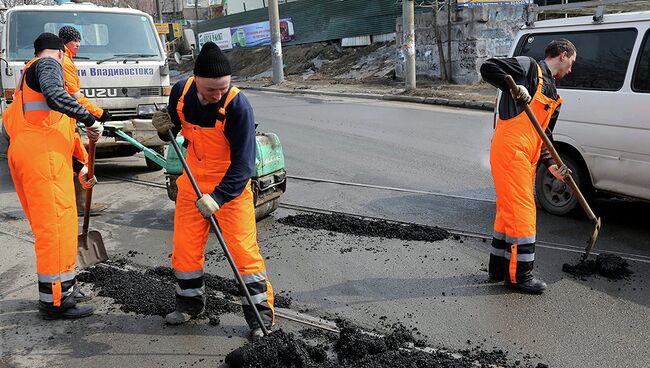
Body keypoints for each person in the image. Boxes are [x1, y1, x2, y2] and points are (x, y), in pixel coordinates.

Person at [152, 42, 274, 340]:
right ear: (195, 81)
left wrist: (218, 197)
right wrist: (161, 129)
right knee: (185, 250)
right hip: (191, 186)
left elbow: (243, 165)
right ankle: (189, 305)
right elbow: (173, 128)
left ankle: (260, 319)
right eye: (210, 90)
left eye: (222, 88)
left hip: (230, 191)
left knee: (244, 255)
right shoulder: (181, 93)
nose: (217, 95)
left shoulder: (237, 106)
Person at [2, 33, 103, 319]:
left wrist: (77, 166)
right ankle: (55, 301)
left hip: (35, 158)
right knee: (55, 231)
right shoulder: (48, 63)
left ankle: (64, 288)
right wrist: (90, 118)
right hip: (42, 162)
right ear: (61, 52)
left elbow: (47, 131)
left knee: (56, 228)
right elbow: (56, 95)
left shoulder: (24, 83)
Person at [480, 39, 577, 294]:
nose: (572, 69)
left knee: (508, 212)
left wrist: (552, 165)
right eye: (572, 63)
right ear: (563, 55)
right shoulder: (528, 67)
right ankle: (520, 276)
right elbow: (488, 67)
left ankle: (498, 268)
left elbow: (544, 137)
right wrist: (513, 88)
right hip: (511, 150)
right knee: (523, 212)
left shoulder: (555, 96)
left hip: (528, 155)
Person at [58, 25, 110, 216]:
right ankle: (80, 205)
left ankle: (76, 203)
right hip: (65, 119)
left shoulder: (64, 59)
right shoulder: (64, 62)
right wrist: (98, 113)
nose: (78, 44)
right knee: (79, 158)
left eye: (79, 40)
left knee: (75, 160)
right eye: (74, 40)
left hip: (65, 118)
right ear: (65, 42)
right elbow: (75, 96)